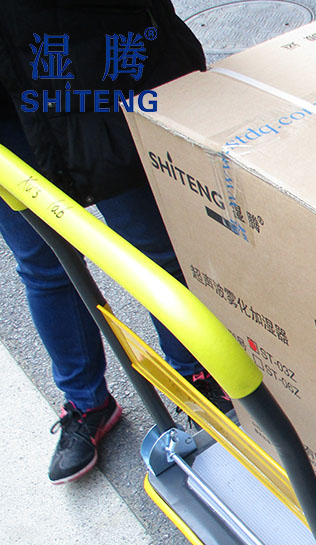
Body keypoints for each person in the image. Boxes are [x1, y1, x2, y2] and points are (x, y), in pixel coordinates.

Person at [0, 1, 227, 484]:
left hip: (88, 67)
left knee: (156, 252)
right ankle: (87, 404)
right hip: (7, 109)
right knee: (43, 264)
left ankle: (197, 374)